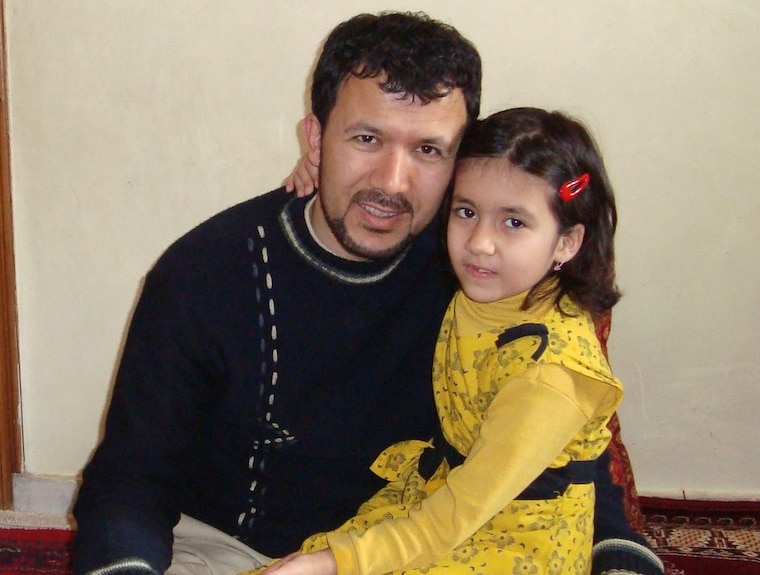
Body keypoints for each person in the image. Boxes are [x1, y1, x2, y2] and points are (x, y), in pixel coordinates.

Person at [72, 11, 660, 575]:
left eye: (428, 150)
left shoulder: (477, 271)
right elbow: (130, 480)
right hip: (233, 551)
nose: (392, 182)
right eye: (366, 138)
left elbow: (558, 450)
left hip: (426, 543)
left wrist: (616, 551)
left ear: (461, 164)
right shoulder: (206, 275)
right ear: (315, 139)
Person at [248, 108, 664, 575]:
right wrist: (324, 170)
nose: (479, 242)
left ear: (567, 243)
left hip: (511, 541)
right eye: (466, 212)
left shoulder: (550, 376)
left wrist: (334, 562)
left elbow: (461, 512)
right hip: (440, 493)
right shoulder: (487, 282)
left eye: (513, 223)